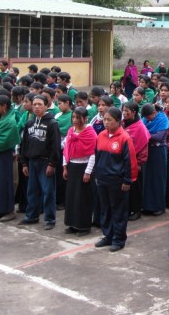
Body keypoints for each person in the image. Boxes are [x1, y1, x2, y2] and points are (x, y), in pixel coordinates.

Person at [94, 107, 137, 252]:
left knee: (118, 210)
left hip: (117, 181)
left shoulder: (124, 138)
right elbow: (97, 157)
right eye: (104, 119)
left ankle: (119, 239)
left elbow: (130, 161)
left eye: (109, 120)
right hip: (102, 179)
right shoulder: (100, 136)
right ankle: (108, 235)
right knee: (105, 209)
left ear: (118, 121)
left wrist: (127, 180)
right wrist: (96, 175)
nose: (105, 123)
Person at [18, 95, 61, 230]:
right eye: (34, 104)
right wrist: (24, 163)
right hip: (32, 162)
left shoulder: (52, 123)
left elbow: (55, 145)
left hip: (46, 162)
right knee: (32, 190)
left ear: (46, 106)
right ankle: (32, 215)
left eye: (40, 104)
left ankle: (50, 219)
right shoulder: (29, 123)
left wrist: (52, 164)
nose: (36, 107)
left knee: (48, 191)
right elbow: (24, 144)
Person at [62, 107, 98, 237]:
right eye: (73, 117)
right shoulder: (71, 131)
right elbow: (67, 149)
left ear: (85, 118)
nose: (75, 120)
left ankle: (84, 226)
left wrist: (88, 172)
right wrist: (65, 166)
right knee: (72, 197)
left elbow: (93, 154)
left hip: (84, 168)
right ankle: (72, 223)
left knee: (83, 198)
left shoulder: (90, 133)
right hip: (72, 167)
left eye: (78, 118)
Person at [122, 101, 150, 222]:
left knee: (135, 188)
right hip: (123, 160)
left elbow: (144, 146)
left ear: (134, 112)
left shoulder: (140, 127)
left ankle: (136, 210)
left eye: (127, 111)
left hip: (136, 162)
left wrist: (139, 163)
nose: (124, 113)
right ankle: (126, 209)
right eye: (123, 110)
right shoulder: (122, 124)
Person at [141, 103, 169, 216]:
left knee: (158, 179)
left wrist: (145, 135)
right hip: (147, 150)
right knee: (147, 179)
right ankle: (147, 205)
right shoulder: (145, 118)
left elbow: (159, 137)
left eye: (148, 117)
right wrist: (148, 135)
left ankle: (158, 206)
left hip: (158, 151)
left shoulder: (163, 119)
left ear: (154, 113)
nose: (147, 120)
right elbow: (143, 131)